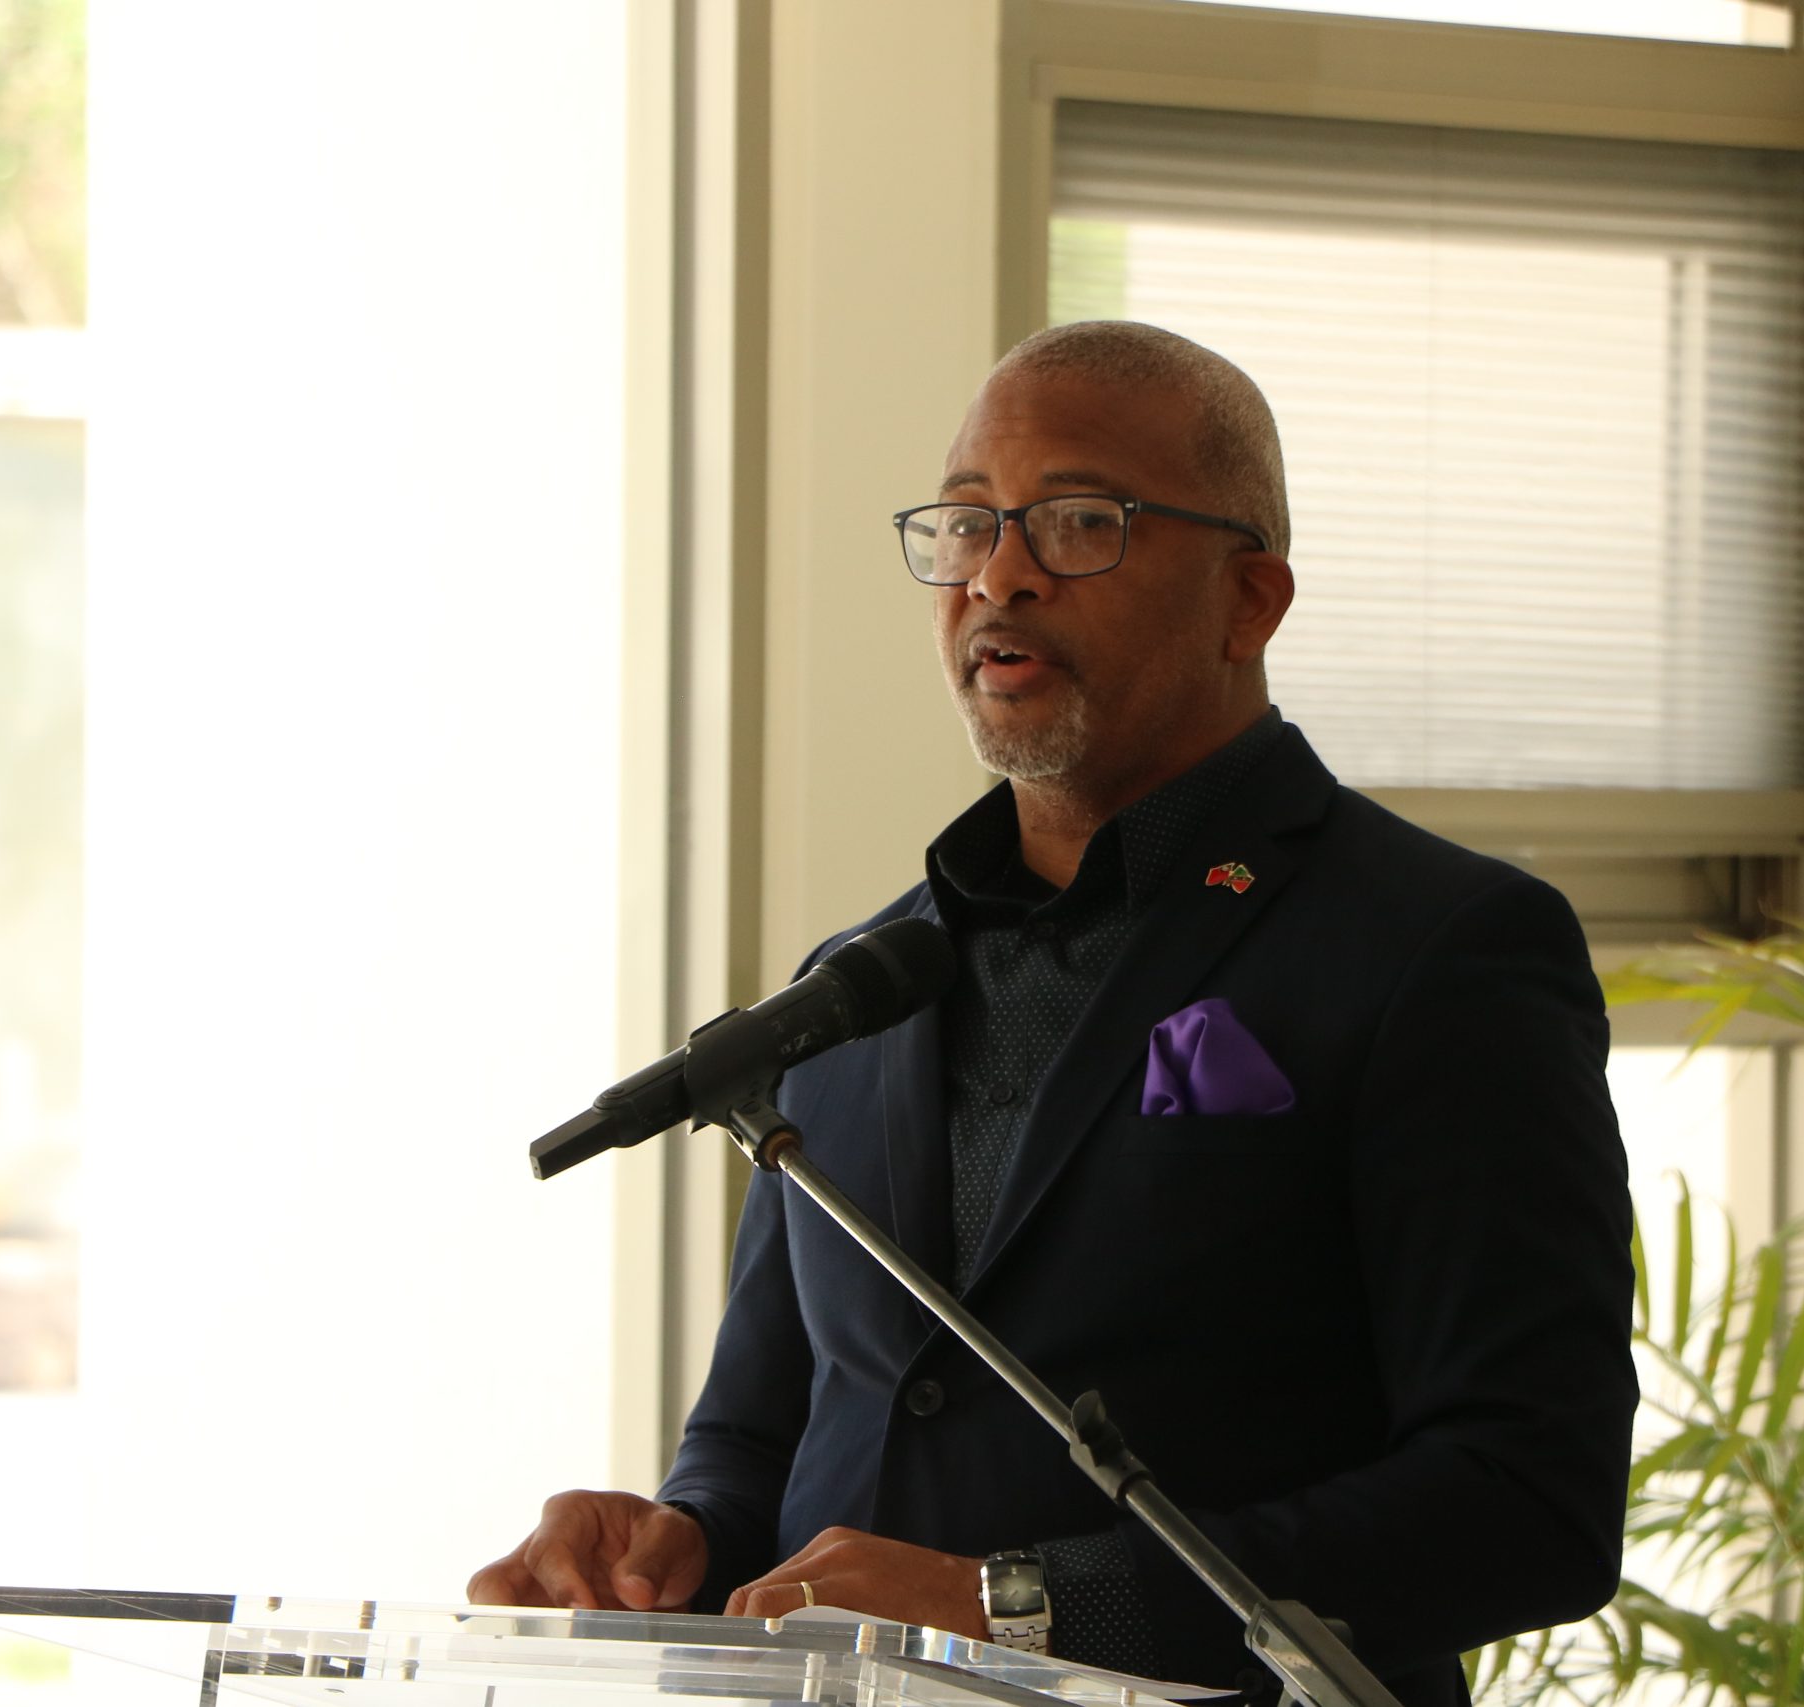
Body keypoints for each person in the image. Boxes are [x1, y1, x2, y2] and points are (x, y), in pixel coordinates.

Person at [470, 322, 1637, 1707]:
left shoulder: (1437, 947)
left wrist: (1014, 1609)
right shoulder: (848, 986)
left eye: (1080, 521)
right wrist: (675, 1537)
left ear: (1247, 599)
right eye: (967, 523)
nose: (999, 572)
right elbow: (762, 1436)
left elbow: (1526, 1501)